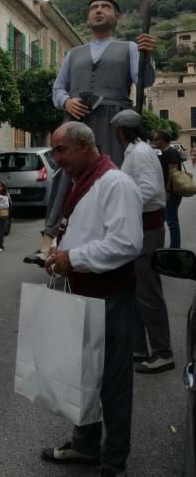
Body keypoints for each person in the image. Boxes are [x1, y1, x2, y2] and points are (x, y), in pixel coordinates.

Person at [41, 122, 142, 477]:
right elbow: (72, 228)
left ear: (84, 146)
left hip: (110, 297)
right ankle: (85, 446)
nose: (57, 159)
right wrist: (57, 253)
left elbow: (127, 243)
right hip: (83, 296)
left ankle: (114, 459)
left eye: (61, 150)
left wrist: (74, 259)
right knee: (82, 377)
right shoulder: (80, 180)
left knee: (113, 382)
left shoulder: (116, 184)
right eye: (54, 151)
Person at [25, 0, 155, 267]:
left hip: (113, 120)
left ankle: (109, 239)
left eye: (106, 7)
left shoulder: (130, 47)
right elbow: (57, 89)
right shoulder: (73, 54)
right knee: (64, 174)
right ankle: (48, 243)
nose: (98, 11)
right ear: (88, 17)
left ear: (116, 17)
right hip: (76, 118)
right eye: (94, 7)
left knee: (111, 174)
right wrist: (67, 101)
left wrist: (147, 57)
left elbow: (145, 81)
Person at [111, 110, 174, 374]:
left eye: (116, 130)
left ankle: (162, 352)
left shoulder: (140, 154)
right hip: (138, 230)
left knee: (148, 294)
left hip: (147, 229)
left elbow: (150, 190)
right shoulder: (133, 153)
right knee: (136, 292)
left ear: (123, 131)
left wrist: (122, 203)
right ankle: (139, 348)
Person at [153, 129, 183, 248]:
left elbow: (172, 173)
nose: (153, 141)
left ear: (163, 140)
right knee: (166, 220)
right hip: (166, 192)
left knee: (171, 222)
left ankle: (175, 249)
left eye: (156, 139)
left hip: (171, 192)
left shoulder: (170, 152)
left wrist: (168, 191)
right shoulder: (163, 152)